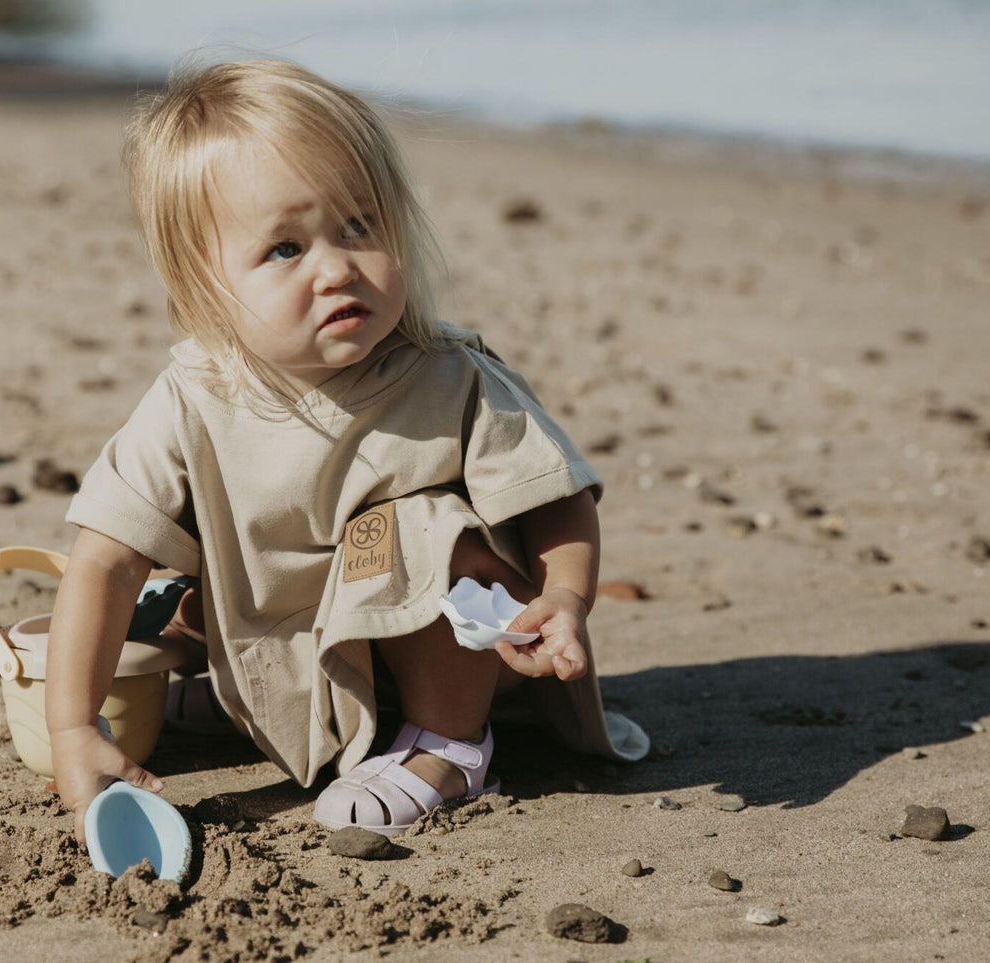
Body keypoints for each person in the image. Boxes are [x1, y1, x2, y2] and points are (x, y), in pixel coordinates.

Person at [46, 56, 649, 843]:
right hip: (286, 649)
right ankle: (257, 700)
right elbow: (105, 559)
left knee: (417, 525)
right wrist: (73, 725)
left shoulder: (447, 377)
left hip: (459, 655)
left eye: (358, 225)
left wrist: (565, 600)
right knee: (169, 589)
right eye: (285, 249)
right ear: (202, 286)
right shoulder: (193, 397)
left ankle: (448, 744)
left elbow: (554, 497)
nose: (336, 267)